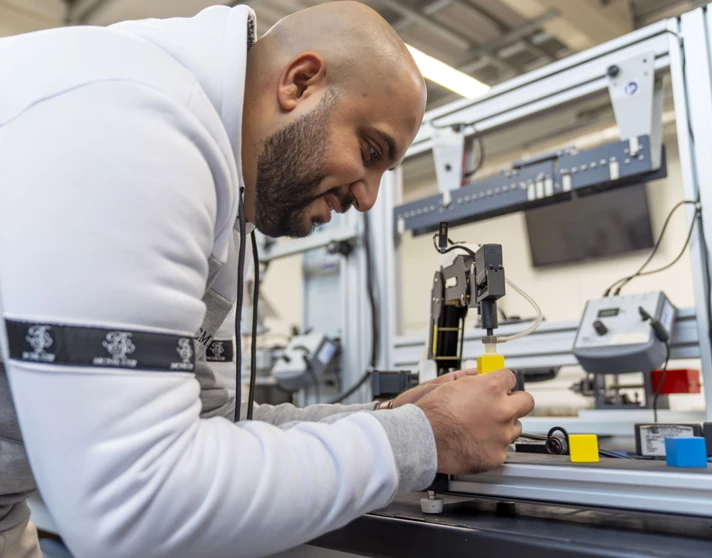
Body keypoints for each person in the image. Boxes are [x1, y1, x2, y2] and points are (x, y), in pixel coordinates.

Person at [0, 2, 535, 557]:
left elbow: (213, 422)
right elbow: (140, 504)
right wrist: (426, 438)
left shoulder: (215, 181)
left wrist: (396, 418)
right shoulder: (136, 126)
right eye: (370, 151)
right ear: (299, 82)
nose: (369, 197)